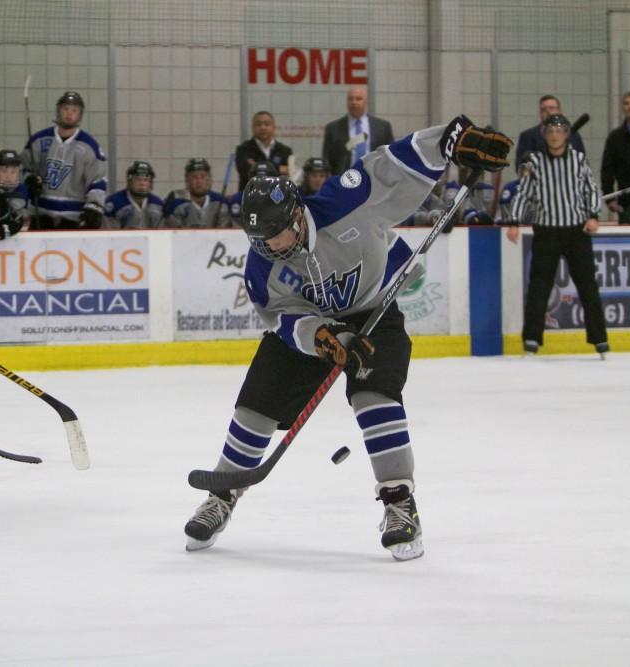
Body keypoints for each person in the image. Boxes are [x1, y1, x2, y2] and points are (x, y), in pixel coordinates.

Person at [182, 116, 512, 560]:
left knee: (374, 396)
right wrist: (323, 337)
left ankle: (400, 504)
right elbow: (281, 317)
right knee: (256, 404)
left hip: (375, 307)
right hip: (316, 326)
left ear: (297, 213)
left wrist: (453, 140)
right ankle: (222, 494)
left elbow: (397, 163)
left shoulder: (347, 199)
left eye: (278, 233)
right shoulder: (262, 266)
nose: (274, 246)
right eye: (262, 239)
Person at [508, 114, 608, 358]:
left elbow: (591, 189)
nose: (555, 135)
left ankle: (600, 341)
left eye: (560, 130)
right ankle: (531, 340)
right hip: (546, 231)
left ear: (566, 134)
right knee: (539, 288)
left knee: (587, 286)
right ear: (544, 134)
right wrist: (513, 221)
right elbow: (524, 194)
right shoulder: (535, 163)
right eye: (550, 130)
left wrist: (593, 215)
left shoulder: (578, 160)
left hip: (576, 231)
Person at [21, 91, 108, 230]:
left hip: (74, 217)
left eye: (74, 110)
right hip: (41, 215)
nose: (69, 114)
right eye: (65, 109)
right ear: (58, 111)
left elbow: (97, 180)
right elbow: (23, 168)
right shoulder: (39, 140)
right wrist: (28, 180)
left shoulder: (90, 146)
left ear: (80, 115)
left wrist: (94, 206)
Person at [321, 85, 394, 176]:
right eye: (350, 99)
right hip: (344, 179)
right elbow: (326, 160)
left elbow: (390, 157)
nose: (354, 102)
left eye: (358, 99)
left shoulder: (382, 127)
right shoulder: (333, 128)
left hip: (374, 179)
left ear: (366, 102)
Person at [601, 90, 630, 224]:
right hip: (627, 201)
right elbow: (607, 170)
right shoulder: (615, 138)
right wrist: (609, 199)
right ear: (623, 108)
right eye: (627, 104)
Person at [514, 95, 585, 172]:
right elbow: (520, 166)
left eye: (552, 108)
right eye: (544, 110)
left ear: (559, 111)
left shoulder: (574, 136)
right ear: (540, 114)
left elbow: (583, 163)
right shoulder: (528, 136)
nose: (548, 112)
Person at [162, 158, 231, 228]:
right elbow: (174, 234)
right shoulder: (175, 202)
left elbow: (223, 234)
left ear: (209, 179)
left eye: (203, 177)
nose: (199, 181)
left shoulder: (220, 201)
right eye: (194, 177)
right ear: (187, 179)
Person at [234, 111, 293, 191]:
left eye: (267, 124)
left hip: (278, 197)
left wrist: (256, 165)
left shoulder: (285, 151)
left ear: (274, 127)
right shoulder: (243, 149)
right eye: (258, 124)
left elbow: (289, 175)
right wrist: (278, 169)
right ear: (253, 128)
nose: (263, 127)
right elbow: (245, 172)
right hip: (250, 196)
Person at [104, 161, 165, 229]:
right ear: (129, 181)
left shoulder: (158, 204)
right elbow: (109, 234)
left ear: (151, 183)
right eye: (138, 179)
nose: (142, 184)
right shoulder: (114, 202)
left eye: (146, 180)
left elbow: (161, 234)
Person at [228, 160, 278, 227]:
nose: (262, 183)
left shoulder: (279, 197)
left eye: (266, 180)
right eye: (258, 179)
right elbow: (237, 221)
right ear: (250, 179)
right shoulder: (238, 198)